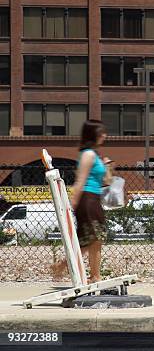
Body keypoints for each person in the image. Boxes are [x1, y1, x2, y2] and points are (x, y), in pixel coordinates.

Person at [50, 120, 112, 283]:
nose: (104, 136)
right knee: (94, 238)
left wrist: (107, 167)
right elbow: (80, 181)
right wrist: (72, 205)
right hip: (87, 200)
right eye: (101, 133)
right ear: (92, 135)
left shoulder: (95, 155)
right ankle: (69, 267)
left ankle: (92, 275)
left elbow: (107, 181)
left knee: (96, 239)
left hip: (94, 199)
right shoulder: (88, 155)